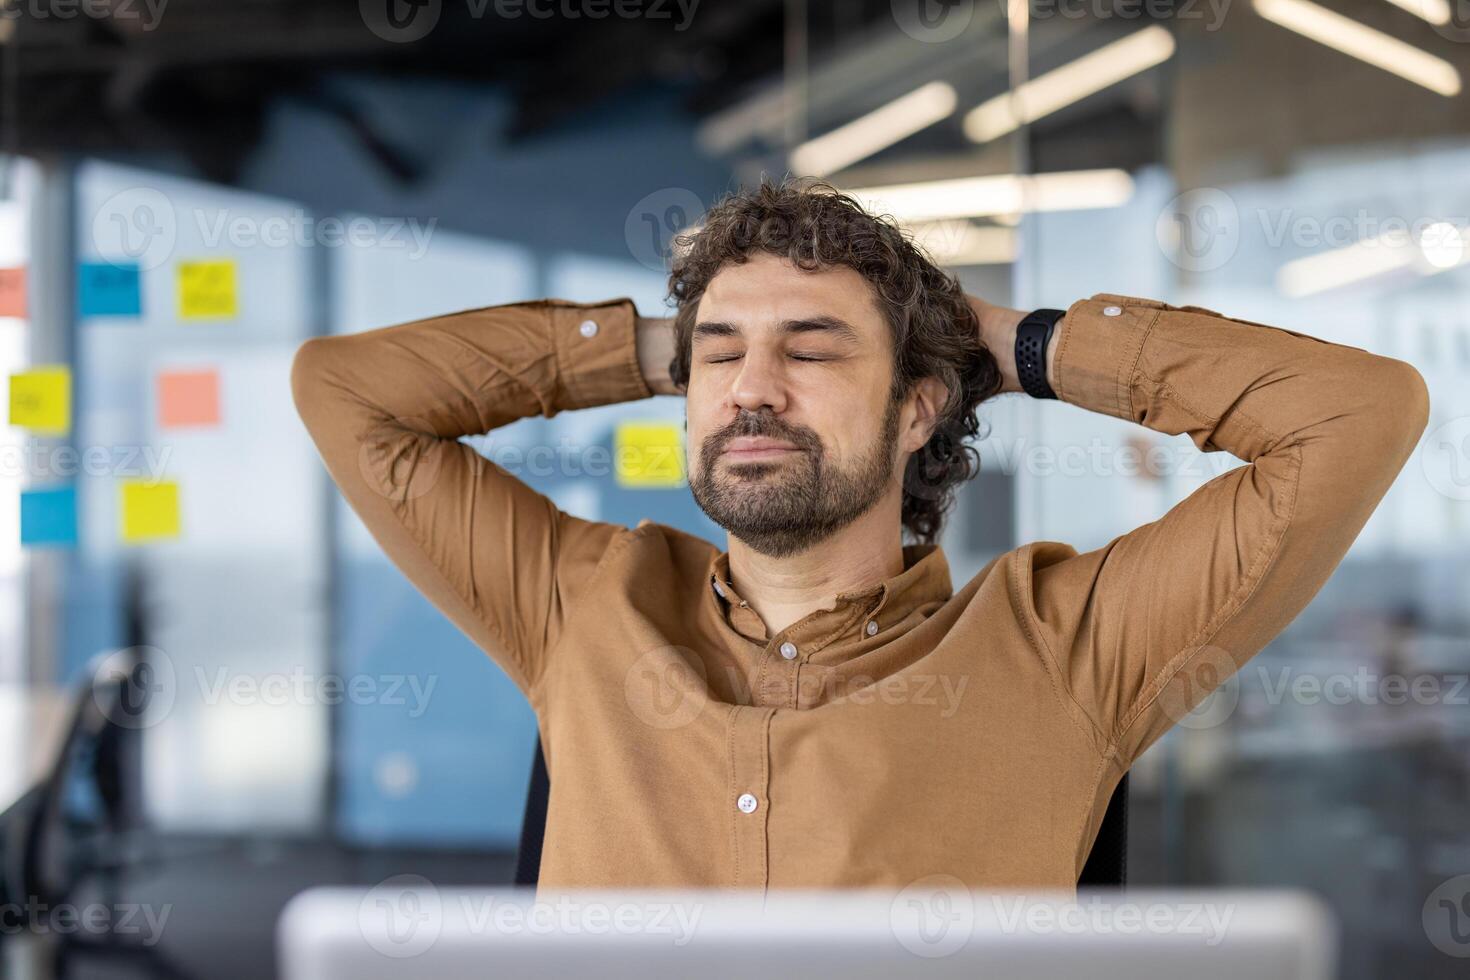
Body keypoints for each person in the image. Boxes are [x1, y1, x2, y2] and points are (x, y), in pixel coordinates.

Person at [290, 176, 1429, 894]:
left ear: (921, 403)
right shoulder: (578, 599)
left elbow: (1355, 414)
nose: (753, 388)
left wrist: (1020, 343)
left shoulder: (1072, 645)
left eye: (815, 347)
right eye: (723, 351)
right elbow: (346, 389)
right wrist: (657, 346)